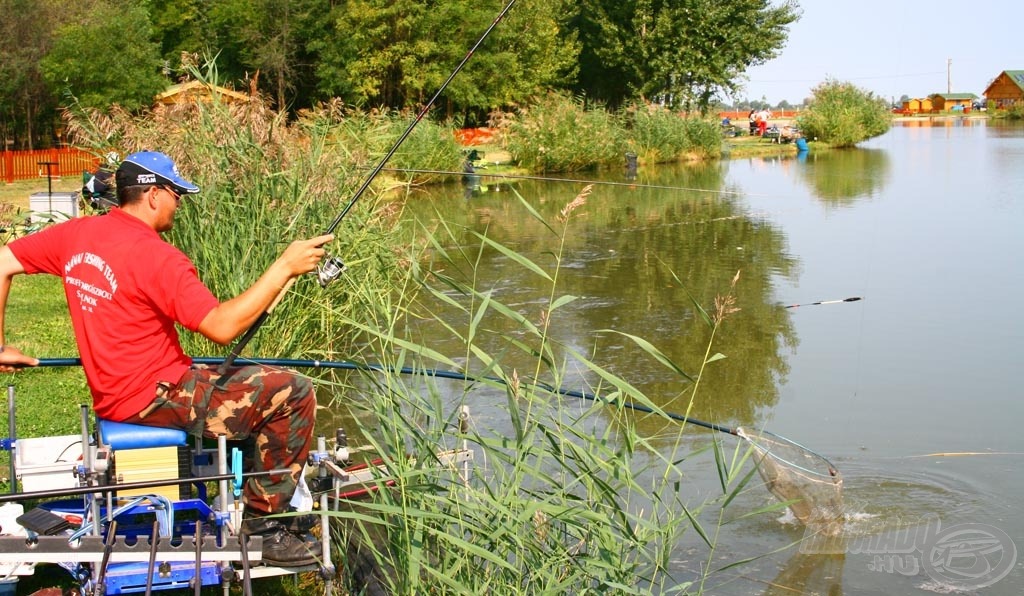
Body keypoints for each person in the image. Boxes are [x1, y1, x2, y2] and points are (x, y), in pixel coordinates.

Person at [0, 151, 333, 567]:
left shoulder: (77, 234)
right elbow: (221, 326)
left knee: (252, 378)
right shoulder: (157, 256)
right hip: (153, 394)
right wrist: (284, 266)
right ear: (155, 195)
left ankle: (244, 489)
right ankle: (263, 526)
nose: (179, 203)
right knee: (293, 390)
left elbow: (3, 261)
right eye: (177, 194)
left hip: (116, 389)